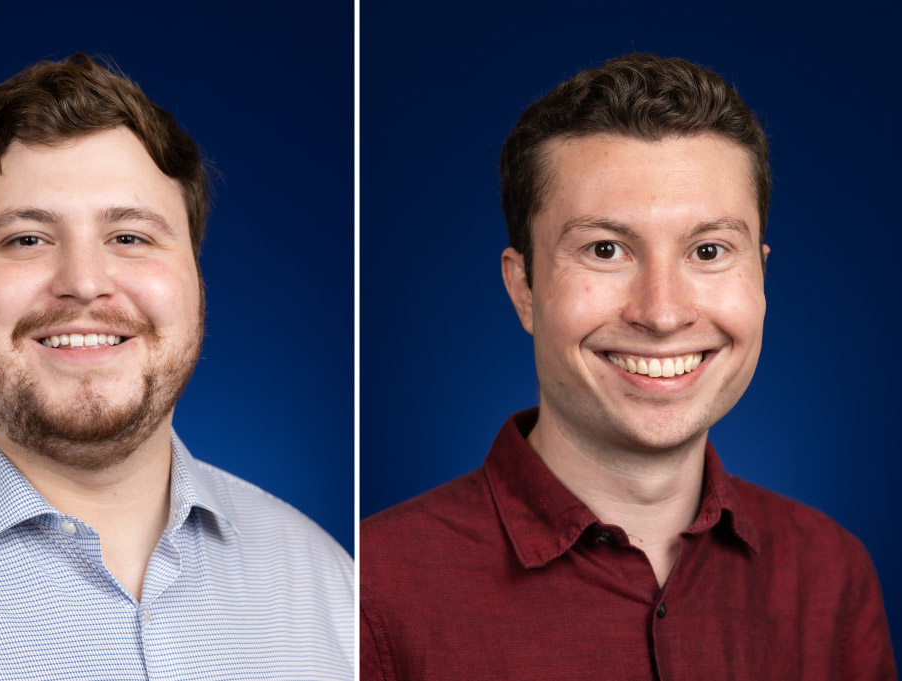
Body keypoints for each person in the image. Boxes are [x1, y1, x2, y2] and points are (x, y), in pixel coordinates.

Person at [0, 54, 352, 680]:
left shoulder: (328, 585)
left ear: (196, 287)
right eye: (25, 239)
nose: (85, 284)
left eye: (130, 237)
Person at [360, 54, 895, 680]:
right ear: (523, 288)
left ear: (761, 276)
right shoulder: (372, 593)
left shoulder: (832, 574)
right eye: (606, 249)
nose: (663, 313)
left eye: (708, 250)